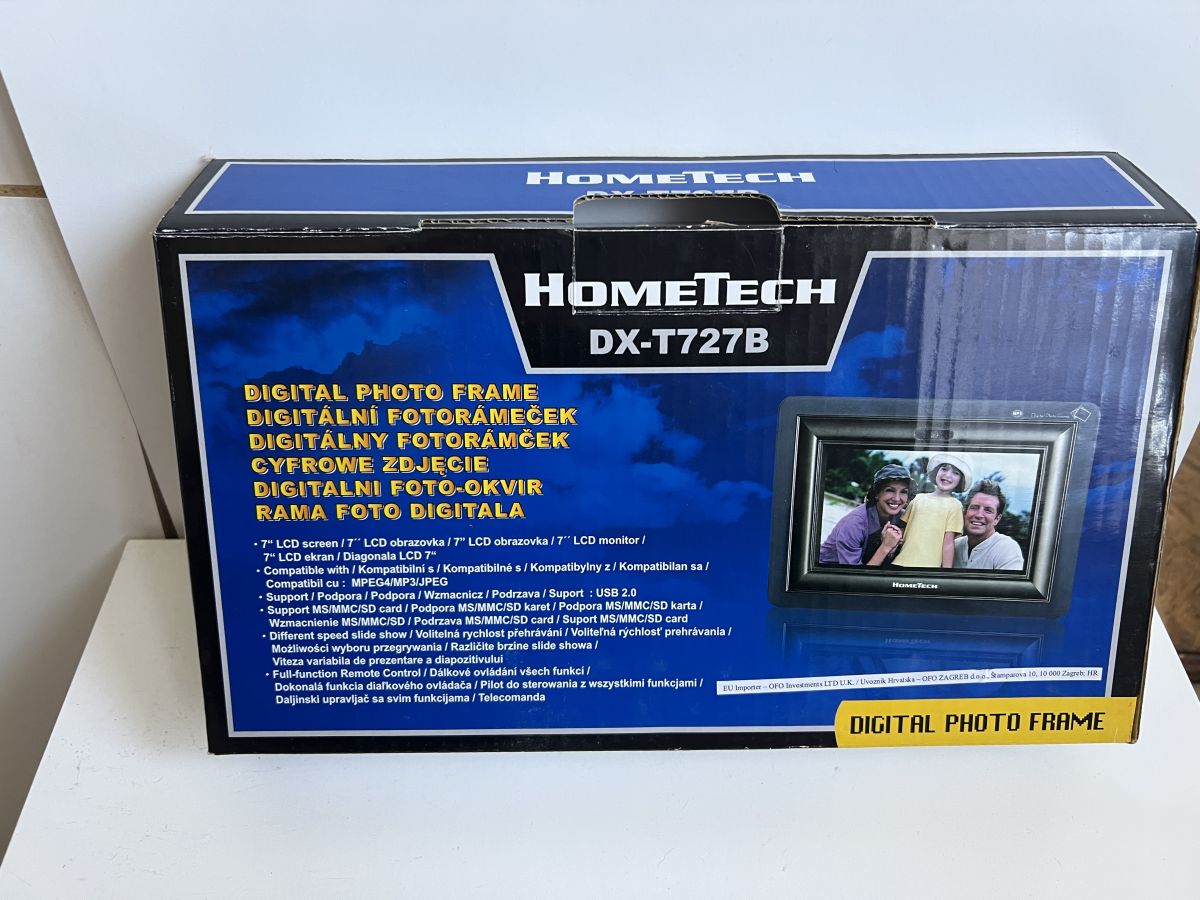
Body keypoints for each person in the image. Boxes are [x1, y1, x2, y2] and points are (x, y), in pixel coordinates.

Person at [819, 464, 910, 567]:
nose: (897, 499)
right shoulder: (853, 524)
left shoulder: (903, 518)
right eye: (889, 490)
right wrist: (886, 547)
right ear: (877, 494)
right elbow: (856, 576)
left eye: (903, 492)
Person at [892, 452, 971, 569]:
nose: (948, 475)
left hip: (929, 567)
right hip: (900, 562)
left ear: (960, 480)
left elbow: (948, 543)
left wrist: (946, 572)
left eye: (956, 473)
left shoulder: (955, 505)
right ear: (936, 471)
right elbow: (902, 529)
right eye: (944, 469)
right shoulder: (918, 499)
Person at [953, 480, 1025, 571]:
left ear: (997, 519)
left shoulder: (1007, 549)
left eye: (988, 510)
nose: (979, 515)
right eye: (974, 508)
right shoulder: (954, 546)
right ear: (965, 513)